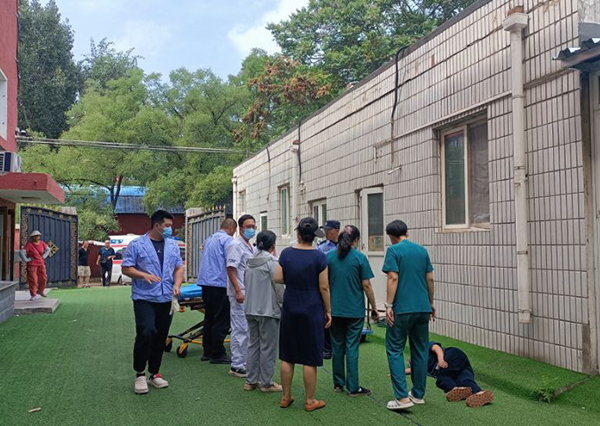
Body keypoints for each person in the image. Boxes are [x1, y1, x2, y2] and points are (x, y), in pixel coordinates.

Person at [122, 210, 184, 395]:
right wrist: (143, 275)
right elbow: (126, 268)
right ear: (157, 226)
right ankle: (140, 373)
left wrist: (177, 285)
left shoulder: (172, 245)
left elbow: (179, 268)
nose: (170, 229)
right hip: (144, 297)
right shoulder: (137, 245)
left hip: (165, 297)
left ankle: (154, 373)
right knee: (146, 331)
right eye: (167, 226)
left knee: (160, 336)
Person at [275, 217, 331, 412]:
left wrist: (293, 279)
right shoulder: (319, 257)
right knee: (310, 356)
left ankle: (285, 397)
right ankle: (310, 400)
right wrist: (328, 310)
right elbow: (324, 287)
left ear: (298, 233)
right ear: (315, 236)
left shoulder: (286, 253)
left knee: (288, 355)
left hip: (291, 305)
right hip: (312, 307)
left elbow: (277, 277)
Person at [383, 220, 435, 411]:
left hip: (402, 308)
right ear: (407, 232)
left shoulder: (393, 251)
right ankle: (418, 395)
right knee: (420, 350)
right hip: (422, 307)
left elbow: (393, 277)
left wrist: (388, 305)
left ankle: (402, 398)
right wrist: (431, 302)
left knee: (395, 349)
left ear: (391, 236)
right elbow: (430, 278)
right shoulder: (422, 251)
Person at [327, 225, 379, 397]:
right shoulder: (359, 258)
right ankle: (354, 387)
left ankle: (338, 383)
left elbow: (324, 284)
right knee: (352, 347)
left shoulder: (329, 257)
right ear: (356, 240)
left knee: (337, 346)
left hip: (334, 309)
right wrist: (374, 307)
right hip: (354, 310)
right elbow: (367, 285)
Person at [243, 230, 284, 393]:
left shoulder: (249, 262)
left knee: (253, 344)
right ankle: (267, 383)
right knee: (268, 347)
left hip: (250, 308)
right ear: (273, 245)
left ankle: (251, 380)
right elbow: (279, 288)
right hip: (268, 310)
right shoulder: (273, 262)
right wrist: (282, 305)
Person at [196, 218, 237, 364]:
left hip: (206, 283)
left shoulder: (210, 239)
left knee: (209, 317)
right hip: (220, 283)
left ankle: (207, 351)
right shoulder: (228, 241)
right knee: (221, 319)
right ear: (232, 229)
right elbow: (230, 264)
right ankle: (218, 353)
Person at [405, 342, 494, 408]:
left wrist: (441, 360)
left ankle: (454, 389)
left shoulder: (422, 349)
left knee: (441, 378)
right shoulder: (423, 368)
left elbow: (436, 348)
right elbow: (412, 370)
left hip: (451, 355)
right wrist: (399, 373)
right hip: (459, 363)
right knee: (464, 380)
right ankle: (479, 392)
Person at [226, 214, 256, 378]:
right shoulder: (235, 245)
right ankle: (237, 365)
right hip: (240, 292)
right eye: (248, 226)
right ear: (241, 228)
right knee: (240, 329)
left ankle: (244, 361)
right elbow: (231, 269)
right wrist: (237, 290)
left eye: (253, 226)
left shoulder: (249, 246)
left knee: (247, 329)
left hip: (248, 291)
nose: (251, 229)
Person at [317, 220, 340, 359]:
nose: (326, 232)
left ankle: (339, 346)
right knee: (326, 315)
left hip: (341, 285)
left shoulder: (346, 245)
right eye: (325, 230)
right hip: (326, 285)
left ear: (337, 230)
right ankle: (327, 347)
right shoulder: (322, 247)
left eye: (329, 230)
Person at [21, 230, 51, 301]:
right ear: (33, 237)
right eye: (36, 236)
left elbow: (48, 249)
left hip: (41, 263)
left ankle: (40, 290)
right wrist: (26, 259)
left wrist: (44, 256)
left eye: (38, 236)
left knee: (44, 278)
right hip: (32, 264)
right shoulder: (29, 245)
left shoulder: (42, 243)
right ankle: (33, 294)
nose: (37, 237)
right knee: (33, 280)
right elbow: (21, 252)